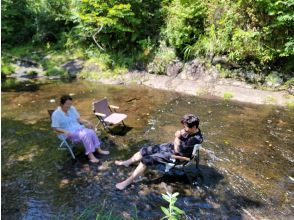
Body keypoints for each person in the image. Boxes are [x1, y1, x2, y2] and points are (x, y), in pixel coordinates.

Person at [115, 114, 203, 190]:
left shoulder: (195, 139)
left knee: (146, 160)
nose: (184, 128)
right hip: (172, 147)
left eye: (186, 127)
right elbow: (182, 137)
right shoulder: (193, 131)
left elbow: (177, 150)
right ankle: (127, 162)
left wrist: (177, 137)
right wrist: (182, 134)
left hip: (177, 156)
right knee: (145, 150)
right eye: (184, 126)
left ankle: (127, 182)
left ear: (194, 127)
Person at [51, 95, 109, 163]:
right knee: (85, 135)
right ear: (61, 104)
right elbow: (55, 128)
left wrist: (87, 121)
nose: (69, 106)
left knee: (91, 131)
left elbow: (78, 120)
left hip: (78, 128)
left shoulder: (72, 108)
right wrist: (64, 131)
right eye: (67, 104)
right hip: (67, 132)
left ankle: (99, 149)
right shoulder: (56, 114)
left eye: (70, 103)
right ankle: (90, 156)